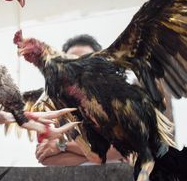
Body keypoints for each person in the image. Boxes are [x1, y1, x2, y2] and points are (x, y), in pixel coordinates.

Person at [36, 34, 126, 166]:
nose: (78, 66)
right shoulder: (51, 106)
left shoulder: (117, 100)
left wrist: (63, 146)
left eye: (85, 60)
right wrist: (103, 155)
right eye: (71, 61)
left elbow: (123, 150)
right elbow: (46, 158)